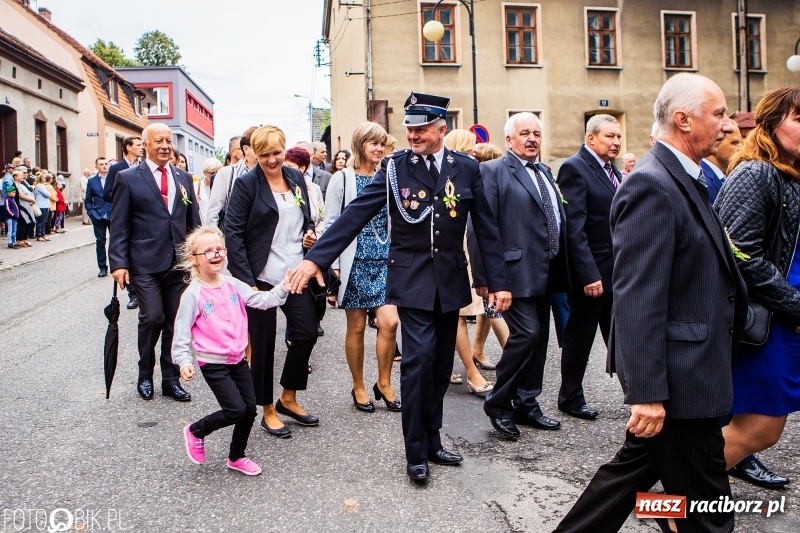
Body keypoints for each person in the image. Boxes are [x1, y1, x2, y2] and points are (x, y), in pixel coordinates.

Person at [555, 73, 746, 533]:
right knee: (711, 511)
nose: (725, 124)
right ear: (683, 119)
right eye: (717, 113)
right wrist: (647, 394)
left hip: (689, 371)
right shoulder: (653, 184)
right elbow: (639, 297)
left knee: (628, 481)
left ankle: (665, 516)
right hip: (679, 380)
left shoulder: (682, 176)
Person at [287, 92, 511, 482]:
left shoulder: (465, 168)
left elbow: (486, 228)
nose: (413, 134)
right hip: (411, 280)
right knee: (418, 364)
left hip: (452, 280)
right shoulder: (394, 168)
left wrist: (494, 282)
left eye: (422, 128)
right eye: (409, 127)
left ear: (442, 129)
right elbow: (354, 215)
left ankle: (434, 439)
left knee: (442, 367)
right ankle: (415, 453)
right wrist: (315, 259)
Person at [716, 87, 800, 492]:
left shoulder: (790, 171)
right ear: (770, 124)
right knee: (760, 427)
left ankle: (677, 498)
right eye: (799, 119)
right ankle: (671, 500)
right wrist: (796, 307)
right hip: (771, 322)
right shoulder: (755, 171)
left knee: (757, 427)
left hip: (787, 320)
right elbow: (740, 255)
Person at [171, 226, 292, 477]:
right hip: (213, 363)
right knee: (235, 410)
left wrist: (284, 287)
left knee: (249, 410)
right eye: (208, 251)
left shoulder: (232, 284)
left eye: (219, 249)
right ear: (194, 259)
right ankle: (196, 430)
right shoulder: (193, 294)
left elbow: (262, 300)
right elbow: (181, 334)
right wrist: (183, 361)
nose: (216, 254)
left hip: (238, 358)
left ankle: (236, 457)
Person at [224, 125, 319, 439]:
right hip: (260, 277)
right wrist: (245, 282)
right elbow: (233, 234)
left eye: (276, 153)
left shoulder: (295, 178)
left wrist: (309, 234)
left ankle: (288, 397)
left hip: (295, 273)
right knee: (262, 346)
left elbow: (306, 217)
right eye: (264, 155)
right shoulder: (247, 185)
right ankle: (266, 409)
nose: (272, 160)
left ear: (284, 148)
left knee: (305, 333)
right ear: (254, 154)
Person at [476, 112, 568, 439]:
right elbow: (481, 228)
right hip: (511, 274)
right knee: (526, 335)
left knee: (540, 340)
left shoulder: (545, 171)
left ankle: (527, 404)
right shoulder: (493, 171)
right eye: (524, 133)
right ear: (509, 140)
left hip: (546, 272)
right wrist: (486, 279)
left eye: (537, 133)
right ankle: (498, 403)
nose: (532, 138)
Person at [108, 122, 202, 402]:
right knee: (152, 317)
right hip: (145, 262)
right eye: (158, 141)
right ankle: (144, 374)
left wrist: (197, 258)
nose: (164, 146)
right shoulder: (127, 178)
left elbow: (192, 222)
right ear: (145, 145)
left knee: (175, 321)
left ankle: (170, 380)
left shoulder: (184, 177)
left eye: (168, 141)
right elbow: (119, 224)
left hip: (178, 262)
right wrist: (118, 263)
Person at [322, 121, 401, 413]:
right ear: (360, 145)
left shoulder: (389, 176)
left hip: (385, 259)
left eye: (382, 143)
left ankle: (385, 382)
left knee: (390, 322)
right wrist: (332, 265)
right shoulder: (342, 179)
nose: (379, 149)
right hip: (353, 261)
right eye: (372, 143)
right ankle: (358, 385)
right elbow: (331, 224)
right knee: (355, 328)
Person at [556, 114, 622, 421]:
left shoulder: (612, 171)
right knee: (580, 337)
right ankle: (570, 396)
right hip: (593, 275)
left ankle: (637, 393)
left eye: (618, 136)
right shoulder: (575, 167)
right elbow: (574, 228)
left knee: (620, 334)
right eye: (609, 136)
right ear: (591, 138)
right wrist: (588, 274)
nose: (616, 142)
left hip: (617, 272)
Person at [443, 128, 494, 396]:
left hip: (470, 247)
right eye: (471, 146)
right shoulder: (448, 174)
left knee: (468, 311)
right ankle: (470, 371)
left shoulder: (473, 172)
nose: (476, 150)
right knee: (458, 314)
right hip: (454, 249)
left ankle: (468, 358)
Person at [283, 146, 327, 341]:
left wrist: (314, 235)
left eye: (291, 166)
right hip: (288, 254)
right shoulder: (278, 188)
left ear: (302, 169)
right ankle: (292, 339)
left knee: (309, 304)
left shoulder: (313, 189)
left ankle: (301, 341)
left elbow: (322, 218)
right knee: (293, 299)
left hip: (310, 251)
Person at [105, 136, 144, 309]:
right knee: (126, 253)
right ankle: (132, 293)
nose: (142, 148)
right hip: (125, 215)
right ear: (128, 147)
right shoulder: (116, 169)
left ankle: (142, 288)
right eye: (138, 145)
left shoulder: (144, 167)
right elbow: (107, 193)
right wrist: (126, 196)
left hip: (142, 218)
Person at [206, 127, 258, 229]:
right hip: (232, 234)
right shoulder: (227, 173)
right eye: (258, 146)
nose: (263, 149)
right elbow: (213, 212)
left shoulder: (269, 173)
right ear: (246, 149)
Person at [701, 121, 743, 205]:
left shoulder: (720, 176)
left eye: (741, 142)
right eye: (735, 142)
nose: (741, 148)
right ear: (715, 143)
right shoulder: (703, 180)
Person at [86, 158, 113, 277]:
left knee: (116, 242)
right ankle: (102, 267)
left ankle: (117, 266)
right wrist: (91, 213)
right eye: (101, 164)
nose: (104, 166)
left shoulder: (114, 179)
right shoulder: (92, 181)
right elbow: (87, 200)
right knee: (100, 242)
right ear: (96, 167)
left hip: (113, 214)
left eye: (106, 164)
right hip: (98, 215)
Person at [13, 169, 35, 248]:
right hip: (20, 206)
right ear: (15, 177)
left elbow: (29, 193)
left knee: (30, 222)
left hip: (28, 205)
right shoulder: (14, 185)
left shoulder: (23, 184)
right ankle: (19, 240)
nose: (22, 177)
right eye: (20, 176)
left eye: (23, 175)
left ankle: (25, 238)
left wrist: (32, 200)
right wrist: (32, 199)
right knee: (23, 223)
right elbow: (21, 195)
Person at [198, 158, 222, 225]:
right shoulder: (196, 186)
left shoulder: (222, 187)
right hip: (200, 227)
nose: (215, 175)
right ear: (204, 173)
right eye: (212, 173)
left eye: (218, 173)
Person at [33, 173, 51, 242]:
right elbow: (47, 194)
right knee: (40, 221)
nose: (45, 179)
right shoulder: (39, 186)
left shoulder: (43, 185)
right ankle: (38, 235)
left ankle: (43, 235)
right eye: (44, 178)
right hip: (41, 205)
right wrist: (49, 194)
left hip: (45, 205)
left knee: (44, 221)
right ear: (40, 178)